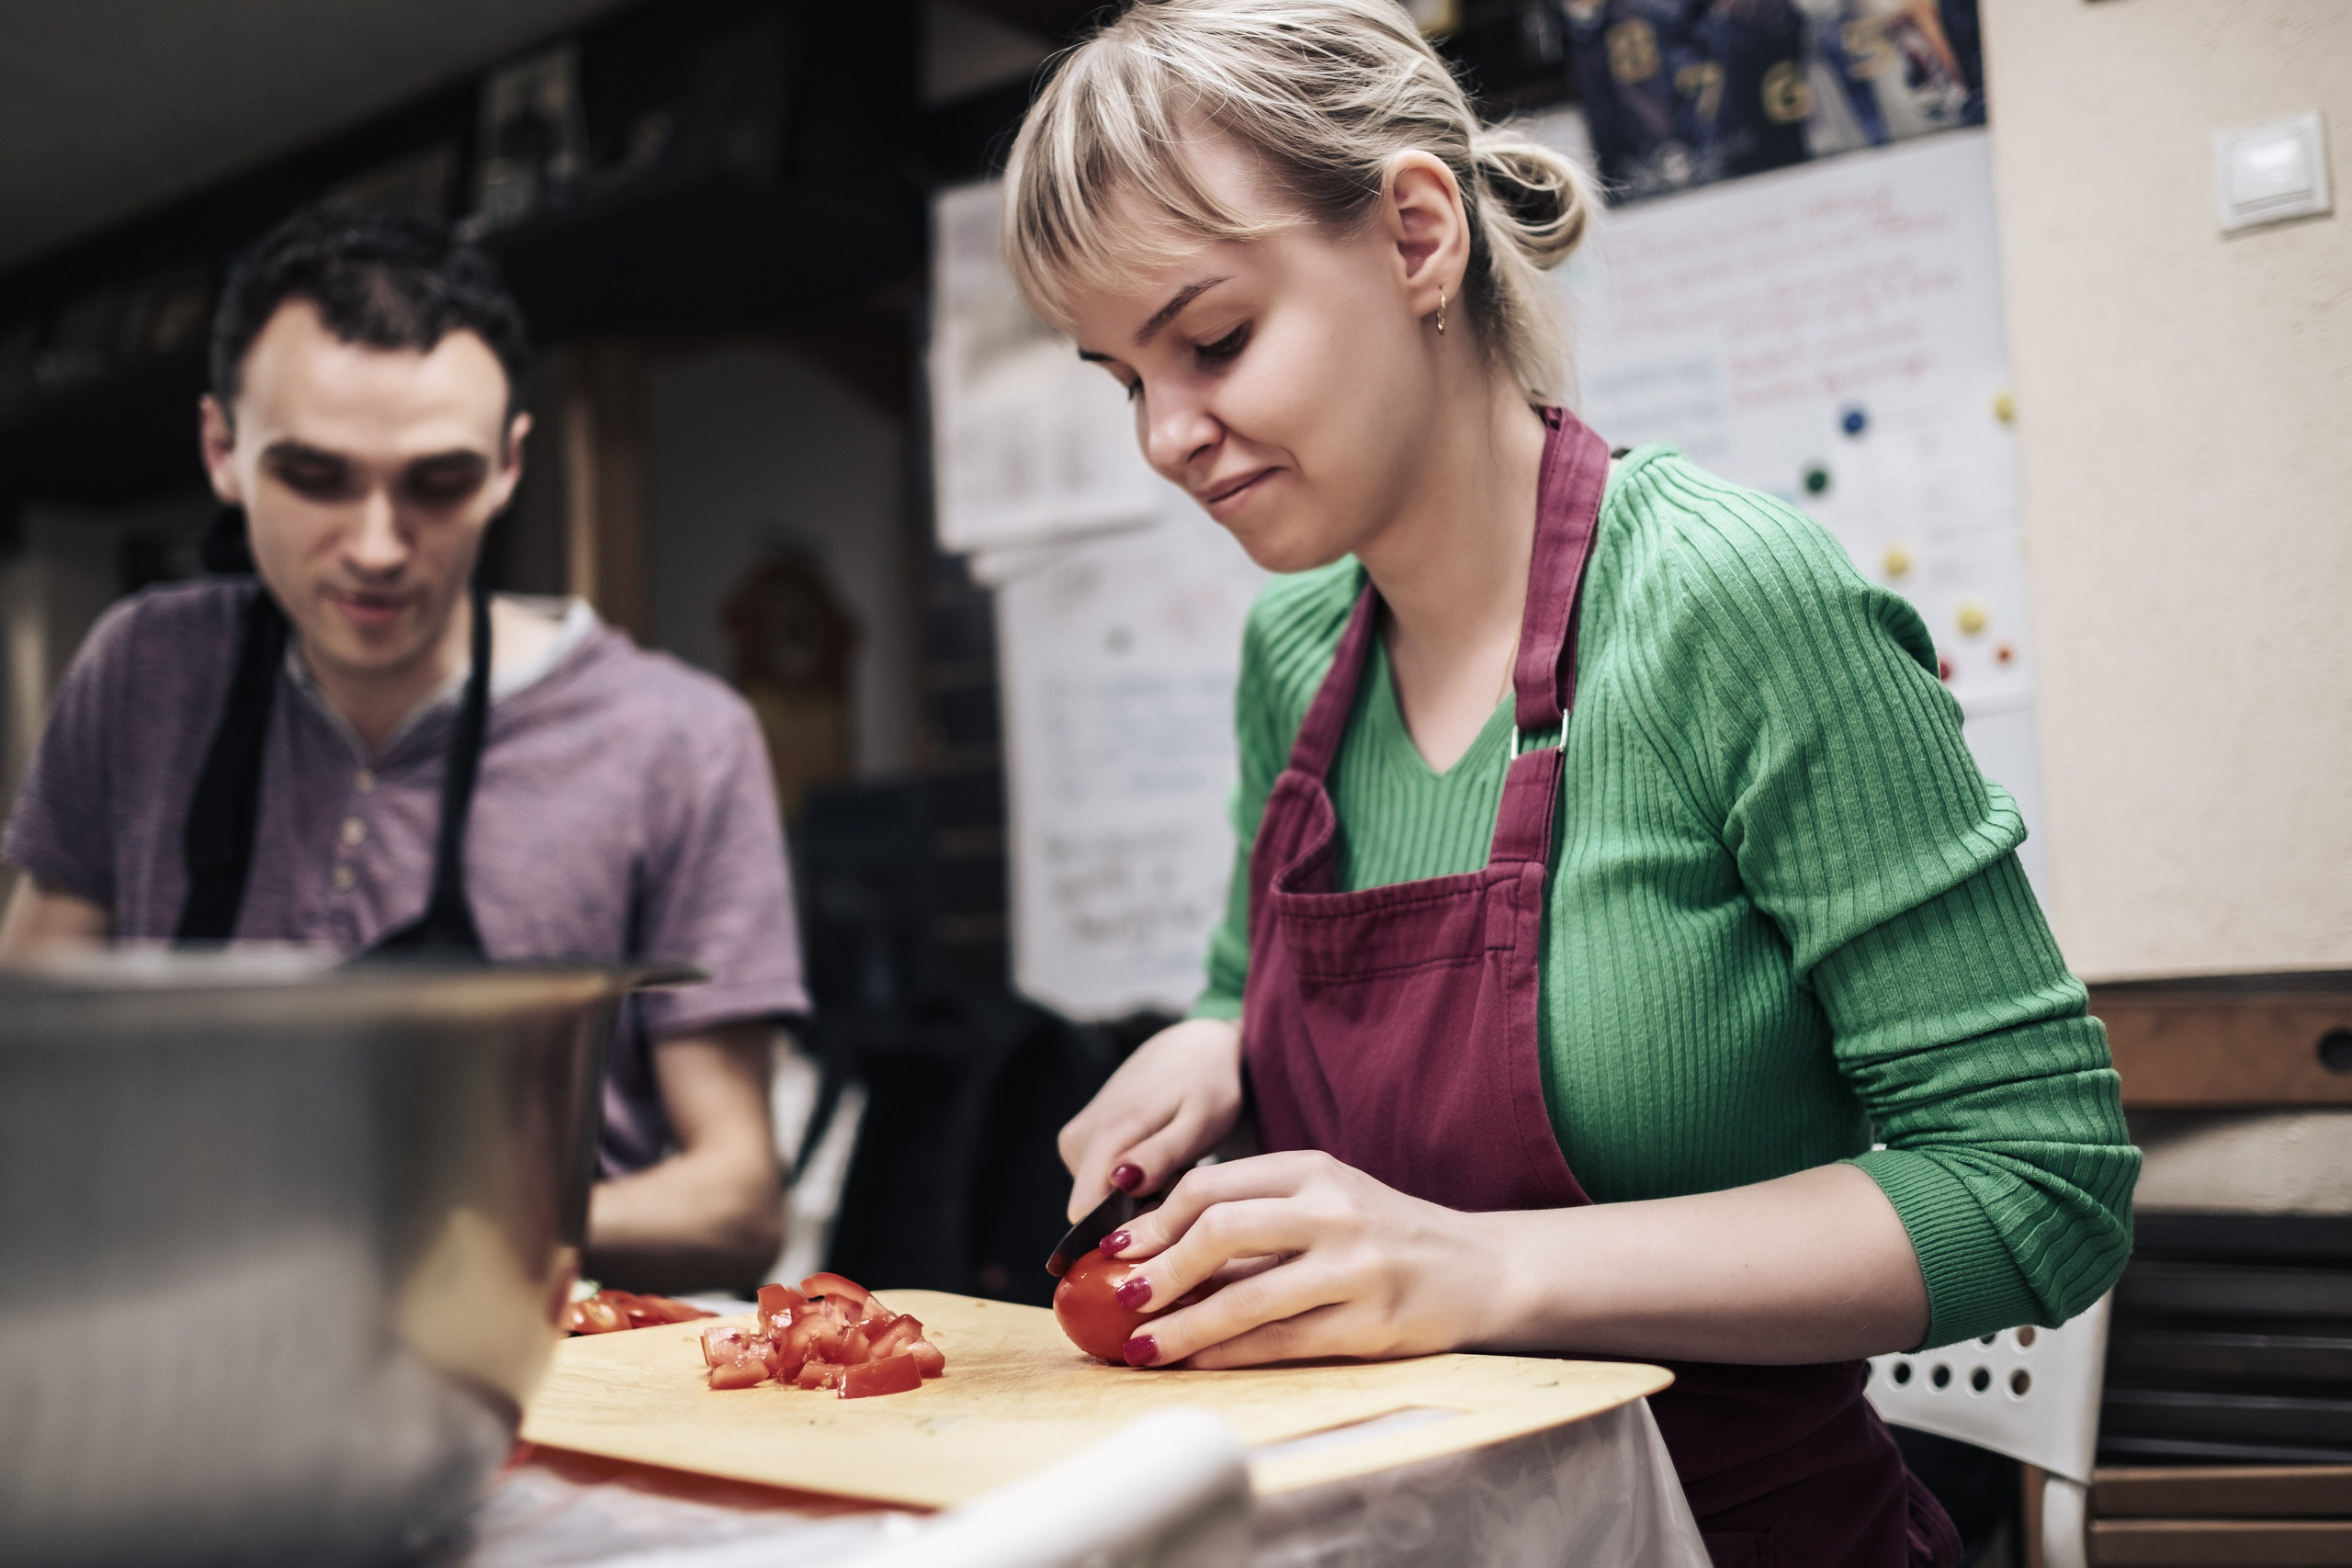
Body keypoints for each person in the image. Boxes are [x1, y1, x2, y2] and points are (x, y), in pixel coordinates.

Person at [1005, 3, 2136, 1562]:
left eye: (1211, 341)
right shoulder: (1297, 653)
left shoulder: (1726, 600)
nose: (1168, 435)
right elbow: (1243, 979)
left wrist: (1487, 1266)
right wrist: (1213, 1039)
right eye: (1121, 379)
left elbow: (2038, 1180)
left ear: (1416, 235)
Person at [0, 209, 803, 1294]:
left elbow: (737, 1200)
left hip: (532, 1363)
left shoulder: (677, 738)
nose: (377, 547)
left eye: (436, 484)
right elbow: (29, 1062)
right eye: (315, 477)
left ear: (509, 467)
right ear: (222, 453)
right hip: (179, 1337)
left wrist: (418, 1221)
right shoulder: (144, 672)